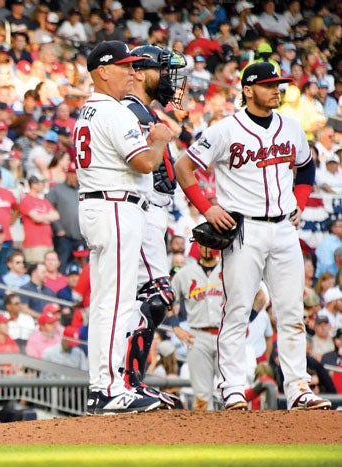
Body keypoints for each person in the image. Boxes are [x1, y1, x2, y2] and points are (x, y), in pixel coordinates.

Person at [174, 62, 330, 411]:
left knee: (291, 312)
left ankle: (299, 388)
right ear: (248, 89)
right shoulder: (225, 130)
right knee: (237, 311)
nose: (278, 89)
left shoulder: (291, 126)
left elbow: (305, 166)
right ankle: (231, 388)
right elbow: (184, 166)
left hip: (284, 229)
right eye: (270, 84)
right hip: (244, 229)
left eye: (280, 84)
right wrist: (207, 207)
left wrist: (301, 203)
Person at [75, 41, 172, 415]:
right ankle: (112, 387)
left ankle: (101, 386)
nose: (132, 72)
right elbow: (146, 163)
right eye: (124, 66)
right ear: (103, 71)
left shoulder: (88, 110)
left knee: (104, 303)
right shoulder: (115, 113)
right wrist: (160, 141)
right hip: (116, 206)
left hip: (98, 205)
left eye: (134, 67)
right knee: (117, 303)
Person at [121, 45, 185, 408]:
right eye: (164, 70)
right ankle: (129, 383)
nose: (170, 78)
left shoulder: (143, 111)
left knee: (148, 298)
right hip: (143, 210)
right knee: (154, 296)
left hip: (153, 212)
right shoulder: (130, 111)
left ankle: (129, 383)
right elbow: (142, 164)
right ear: (142, 72)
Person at [170, 242, 224, 410]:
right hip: (197, 335)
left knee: (232, 393)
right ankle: (206, 435)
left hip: (226, 335)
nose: (206, 247)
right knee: (201, 397)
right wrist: (176, 327)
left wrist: (247, 319)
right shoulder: (185, 274)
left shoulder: (229, 269)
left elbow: (259, 294)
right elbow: (168, 301)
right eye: (202, 243)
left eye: (210, 242)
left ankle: (235, 434)